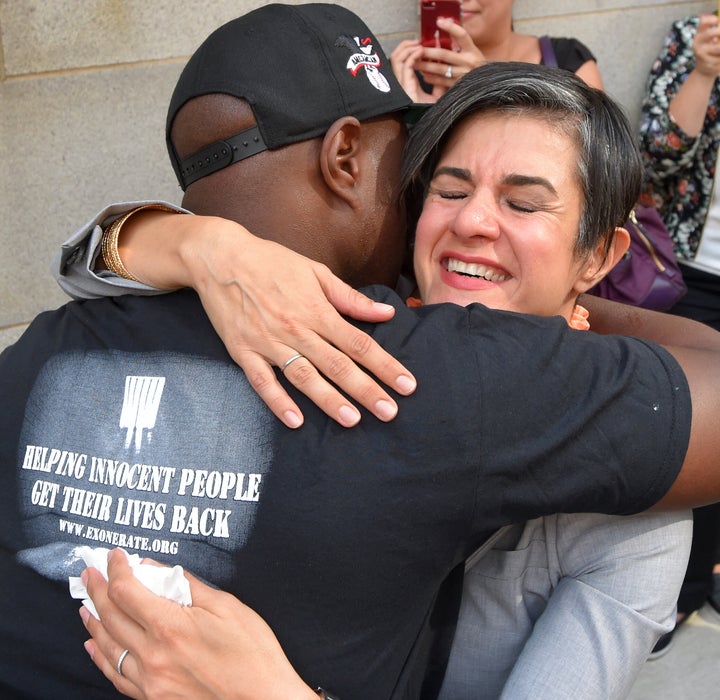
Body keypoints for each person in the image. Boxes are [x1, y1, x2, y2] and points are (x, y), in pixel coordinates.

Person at [66, 59, 706, 700]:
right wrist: (208, 248)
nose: (473, 223)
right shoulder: (347, 325)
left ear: (599, 254)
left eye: (523, 203)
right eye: (451, 192)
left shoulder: (636, 504)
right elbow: (78, 265)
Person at [638, 11, 720, 656]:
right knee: (695, 437)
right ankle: (683, 590)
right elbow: (655, 159)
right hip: (699, 273)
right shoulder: (695, 35)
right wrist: (702, 71)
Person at [390, 0, 602, 104]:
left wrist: (487, 86)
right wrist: (418, 121)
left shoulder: (567, 62)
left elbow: (598, 163)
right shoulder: (400, 77)